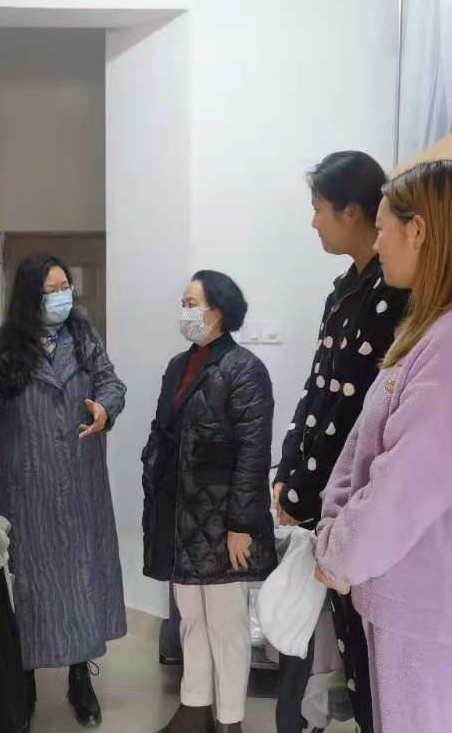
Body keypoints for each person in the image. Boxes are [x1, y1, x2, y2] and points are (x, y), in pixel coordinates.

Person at [315, 160, 452, 733]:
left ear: (419, 230)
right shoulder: (435, 329)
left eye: (383, 227)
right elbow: (363, 450)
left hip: (438, 619)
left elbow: (406, 485)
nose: (377, 242)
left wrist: (339, 551)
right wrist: (334, 537)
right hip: (413, 607)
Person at [0, 253, 127, 728]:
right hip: (24, 483)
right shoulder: (3, 344)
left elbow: (112, 383)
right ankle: (22, 685)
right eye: (51, 290)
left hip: (78, 480)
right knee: (26, 586)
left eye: (65, 287)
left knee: (80, 579)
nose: (61, 296)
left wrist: (105, 408)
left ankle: (79, 677)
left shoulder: (84, 337)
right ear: (31, 295)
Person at [273, 151, 409, 733]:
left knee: (368, 655)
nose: (314, 222)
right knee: (336, 648)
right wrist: (287, 472)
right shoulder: (343, 290)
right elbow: (317, 390)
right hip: (319, 497)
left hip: (356, 503)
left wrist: (311, 491)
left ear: (351, 211)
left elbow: (363, 419)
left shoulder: (396, 293)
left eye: (318, 208)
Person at [143, 270, 276, 733]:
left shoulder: (245, 369)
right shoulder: (178, 366)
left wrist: (242, 525)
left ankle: (230, 719)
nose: (185, 311)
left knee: (226, 625)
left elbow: (254, 454)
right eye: (183, 303)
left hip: (223, 523)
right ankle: (194, 706)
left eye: (191, 303)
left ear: (217, 311)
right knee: (191, 620)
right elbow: (163, 431)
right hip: (180, 516)